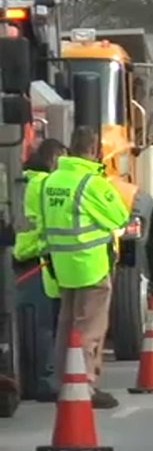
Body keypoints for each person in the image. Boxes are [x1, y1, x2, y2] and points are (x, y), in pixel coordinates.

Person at [43, 128, 129, 410]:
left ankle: (62, 382)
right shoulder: (92, 183)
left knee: (66, 325)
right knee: (89, 329)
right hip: (90, 264)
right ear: (94, 151)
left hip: (62, 264)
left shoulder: (52, 181)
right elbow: (119, 216)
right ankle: (84, 386)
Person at [14, 138, 67, 401]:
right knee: (43, 325)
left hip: (13, 258)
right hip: (37, 260)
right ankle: (44, 381)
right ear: (54, 159)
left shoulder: (17, 179)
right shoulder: (46, 185)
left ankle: (20, 378)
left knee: (20, 325)